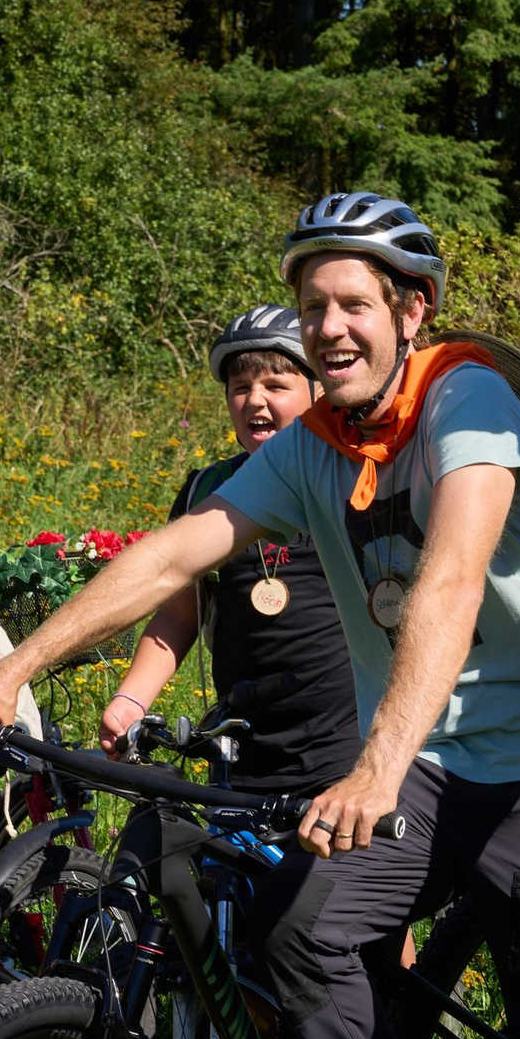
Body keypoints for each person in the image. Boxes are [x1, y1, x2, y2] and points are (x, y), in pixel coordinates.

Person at [0, 190, 520, 1039]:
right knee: (297, 932)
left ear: (411, 308)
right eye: (315, 308)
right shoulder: (312, 446)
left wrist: (377, 765)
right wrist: (12, 668)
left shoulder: (468, 397)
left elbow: (454, 576)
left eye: (354, 304)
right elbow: (169, 559)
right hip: (432, 764)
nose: (331, 329)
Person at [99, 304, 361, 798]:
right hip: (240, 750)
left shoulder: (351, 479)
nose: (254, 401)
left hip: (348, 752)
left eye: (276, 387)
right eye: (241, 389)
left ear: (318, 392)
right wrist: (131, 699)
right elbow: (180, 616)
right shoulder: (209, 490)